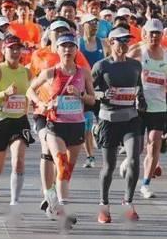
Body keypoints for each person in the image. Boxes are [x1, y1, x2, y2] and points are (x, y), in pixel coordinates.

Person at [27, 33, 94, 224]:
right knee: (61, 164)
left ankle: (53, 201)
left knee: (66, 171)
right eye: (63, 46)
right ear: (57, 49)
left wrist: (80, 95)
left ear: (76, 50)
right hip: (56, 125)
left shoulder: (83, 73)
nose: (67, 50)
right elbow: (30, 90)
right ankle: (63, 210)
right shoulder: (51, 72)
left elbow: (92, 99)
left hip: (77, 125)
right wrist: (41, 103)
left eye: (71, 46)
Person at [91, 27, 146, 223]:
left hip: (131, 118)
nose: (124, 44)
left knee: (134, 159)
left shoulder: (135, 65)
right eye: (120, 40)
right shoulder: (101, 66)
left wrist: (141, 100)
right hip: (109, 120)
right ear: (110, 42)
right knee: (109, 166)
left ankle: (128, 202)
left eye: (127, 41)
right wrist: (102, 95)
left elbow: (138, 87)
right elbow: (89, 92)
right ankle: (103, 205)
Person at [0, 35, 35, 206]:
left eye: (18, 48)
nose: (15, 52)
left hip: (19, 121)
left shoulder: (26, 72)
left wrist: (36, 102)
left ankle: (15, 201)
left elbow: (34, 93)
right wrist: (4, 94)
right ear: (4, 50)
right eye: (11, 48)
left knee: (18, 161)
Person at [127, 18, 167, 199]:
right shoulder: (138, 50)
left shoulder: (165, 55)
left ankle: (145, 184)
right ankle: (128, 161)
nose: (155, 36)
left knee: (154, 144)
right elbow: (122, 67)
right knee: (136, 147)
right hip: (138, 105)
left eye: (158, 33)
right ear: (145, 34)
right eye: (152, 33)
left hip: (159, 106)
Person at [79, 13, 106, 168]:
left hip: (101, 89)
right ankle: (90, 156)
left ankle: (98, 131)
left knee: (104, 124)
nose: (94, 25)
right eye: (90, 23)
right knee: (87, 124)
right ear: (83, 25)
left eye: (96, 23)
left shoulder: (104, 44)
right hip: (85, 90)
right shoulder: (78, 44)